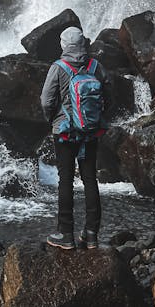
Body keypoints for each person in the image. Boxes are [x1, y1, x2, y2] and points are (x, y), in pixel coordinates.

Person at [40, 26, 111, 250]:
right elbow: (109, 95)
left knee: (66, 180)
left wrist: (53, 120)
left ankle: (65, 234)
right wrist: (97, 117)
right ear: (84, 44)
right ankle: (91, 234)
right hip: (90, 131)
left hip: (65, 132)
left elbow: (46, 101)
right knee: (90, 178)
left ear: (64, 45)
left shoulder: (58, 68)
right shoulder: (95, 66)